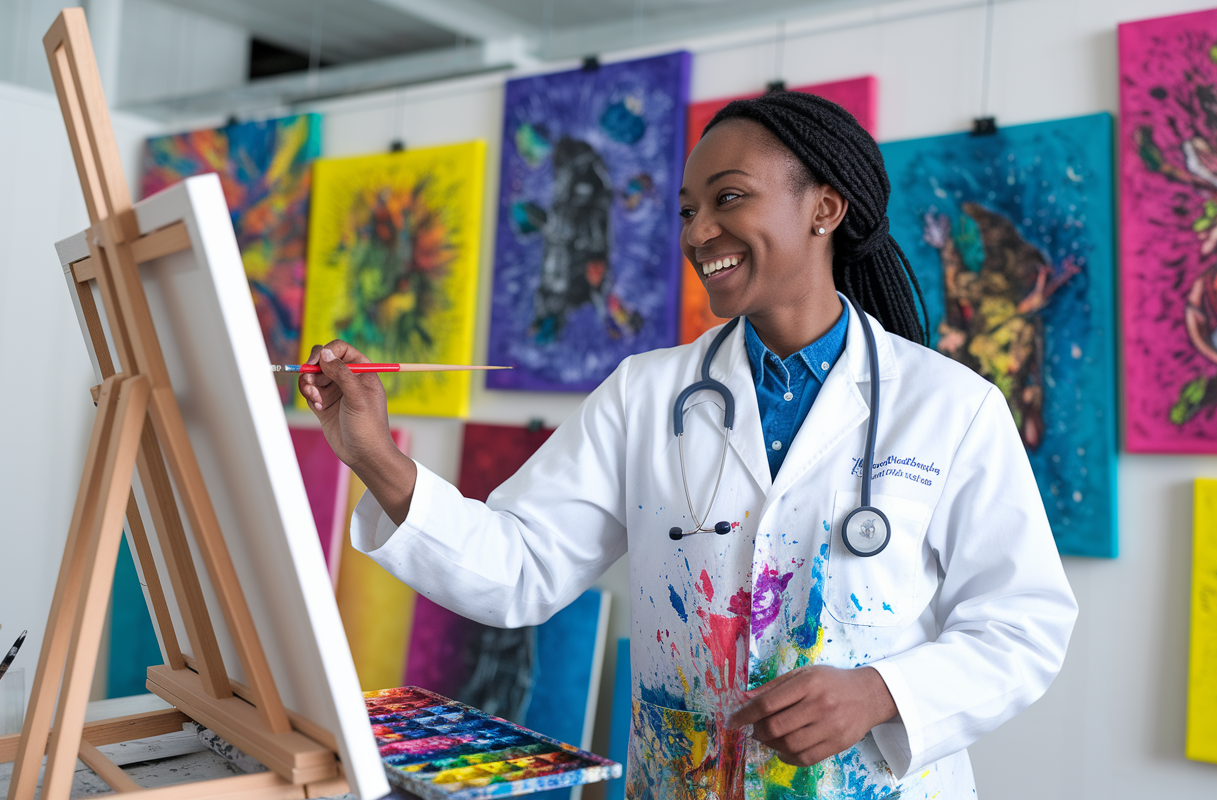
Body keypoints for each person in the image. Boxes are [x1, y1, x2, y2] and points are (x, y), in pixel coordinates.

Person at [299, 92, 1077, 799]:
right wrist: (374, 454)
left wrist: (882, 693)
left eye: (728, 198)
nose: (699, 232)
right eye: (686, 209)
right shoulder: (645, 394)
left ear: (825, 209)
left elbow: (1023, 623)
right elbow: (519, 569)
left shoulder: (951, 406)